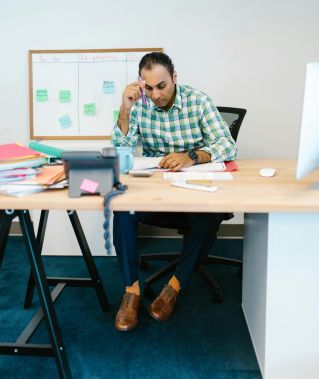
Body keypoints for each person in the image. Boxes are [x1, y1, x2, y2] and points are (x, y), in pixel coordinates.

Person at [111, 52, 237, 331]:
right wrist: (125, 107)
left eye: (162, 86)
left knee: (207, 218)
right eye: (149, 87)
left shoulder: (198, 101)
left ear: (174, 78)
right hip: (157, 191)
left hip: (195, 190)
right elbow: (121, 151)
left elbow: (228, 146)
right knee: (123, 210)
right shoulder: (139, 104)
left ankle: (174, 286)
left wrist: (191, 156)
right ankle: (131, 291)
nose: (155, 94)